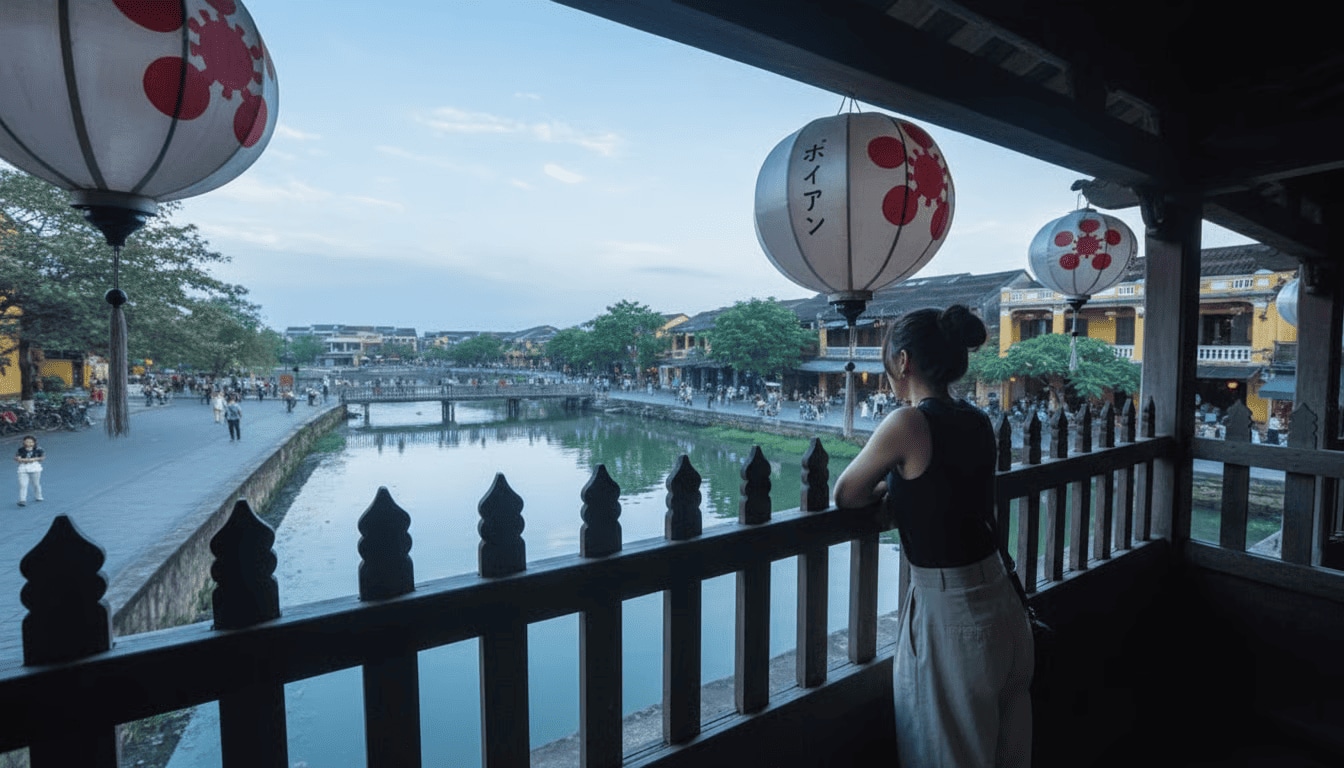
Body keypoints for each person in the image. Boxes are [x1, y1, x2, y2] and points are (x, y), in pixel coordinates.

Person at [833, 305, 1033, 768]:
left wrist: (891, 488)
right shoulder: (977, 420)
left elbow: (847, 493)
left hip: (954, 614)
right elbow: (953, 492)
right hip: (1003, 601)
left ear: (903, 362)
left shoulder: (908, 423)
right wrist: (904, 487)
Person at [15, 434, 44, 506]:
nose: (29, 443)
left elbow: (42, 458)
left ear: (34, 442)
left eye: (31, 442)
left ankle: (38, 496)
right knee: (23, 485)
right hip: (23, 468)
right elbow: (17, 458)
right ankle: (22, 500)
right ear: (24, 442)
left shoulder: (38, 449)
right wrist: (26, 460)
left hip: (35, 468)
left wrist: (34, 459)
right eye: (27, 442)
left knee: (36, 484)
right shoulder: (20, 450)